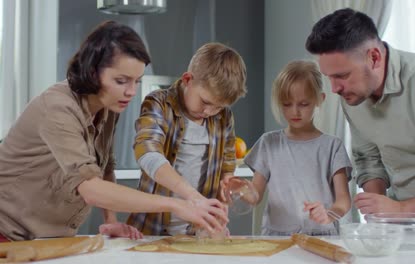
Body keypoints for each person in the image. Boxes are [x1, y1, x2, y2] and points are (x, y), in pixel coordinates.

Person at [0, 21, 227, 242]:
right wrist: (177, 204)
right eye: (121, 80)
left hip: (44, 240)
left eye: (137, 81)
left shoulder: (107, 106)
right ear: (92, 72)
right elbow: (90, 188)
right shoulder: (58, 108)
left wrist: (110, 220)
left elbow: (104, 166)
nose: (131, 92)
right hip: (6, 234)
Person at [305, 8, 415, 256]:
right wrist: (379, 209)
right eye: (329, 77)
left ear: (374, 57)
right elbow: (367, 158)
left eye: (342, 75)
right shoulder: (352, 93)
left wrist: (400, 210)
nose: (335, 88)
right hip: (401, 232)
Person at [126, 42, 247, 236]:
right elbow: (148, 153)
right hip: (151, 229)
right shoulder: (158, 103)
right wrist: (192, 196)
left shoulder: (224, 117)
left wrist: (225, 194)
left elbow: (227, 165)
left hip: (197, 231)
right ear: (188, 79)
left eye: (218, 107)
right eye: (206, 102)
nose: (209, 112)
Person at [243, 60, 352, 236]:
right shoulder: (268, 143)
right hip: (277, 239)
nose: (295, 112)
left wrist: (329, 214)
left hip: (322, 237)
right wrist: (238, 189)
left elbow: (343, 201)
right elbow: (254, 196)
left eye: (303, 104)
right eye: (287, 104)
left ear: (319, 100)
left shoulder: (333, 147)